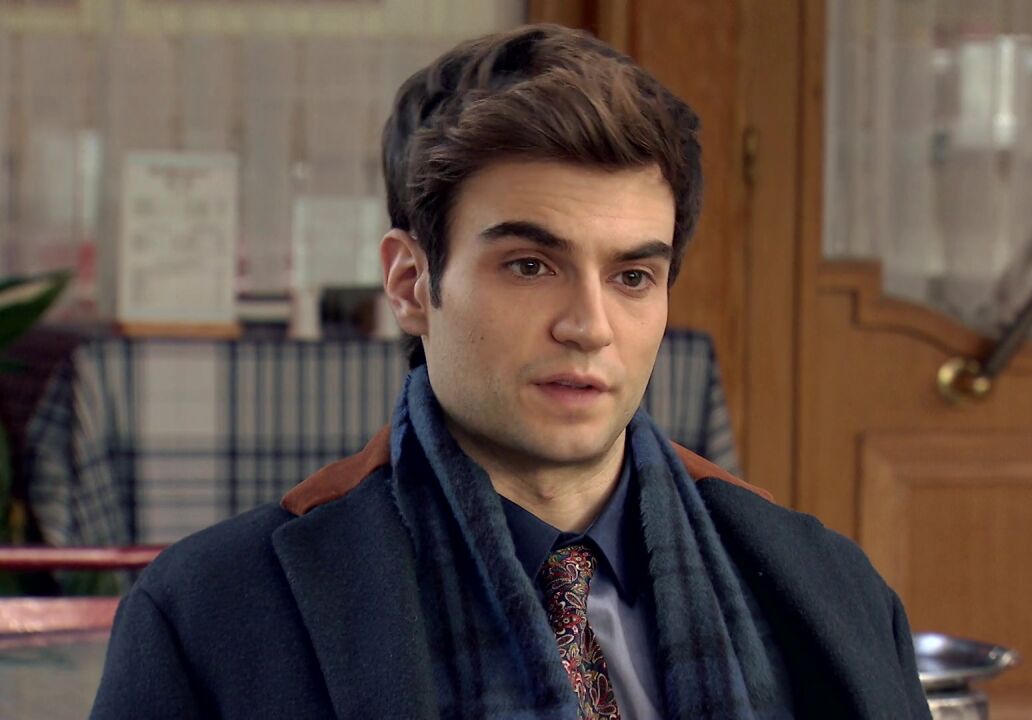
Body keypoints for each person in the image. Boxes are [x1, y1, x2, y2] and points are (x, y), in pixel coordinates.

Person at [91, 24, 930, 719]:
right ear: (411, 284)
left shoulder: (828, 589)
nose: (588, 326)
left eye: (633, 277)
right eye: (530, 266)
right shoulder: (213, 617)